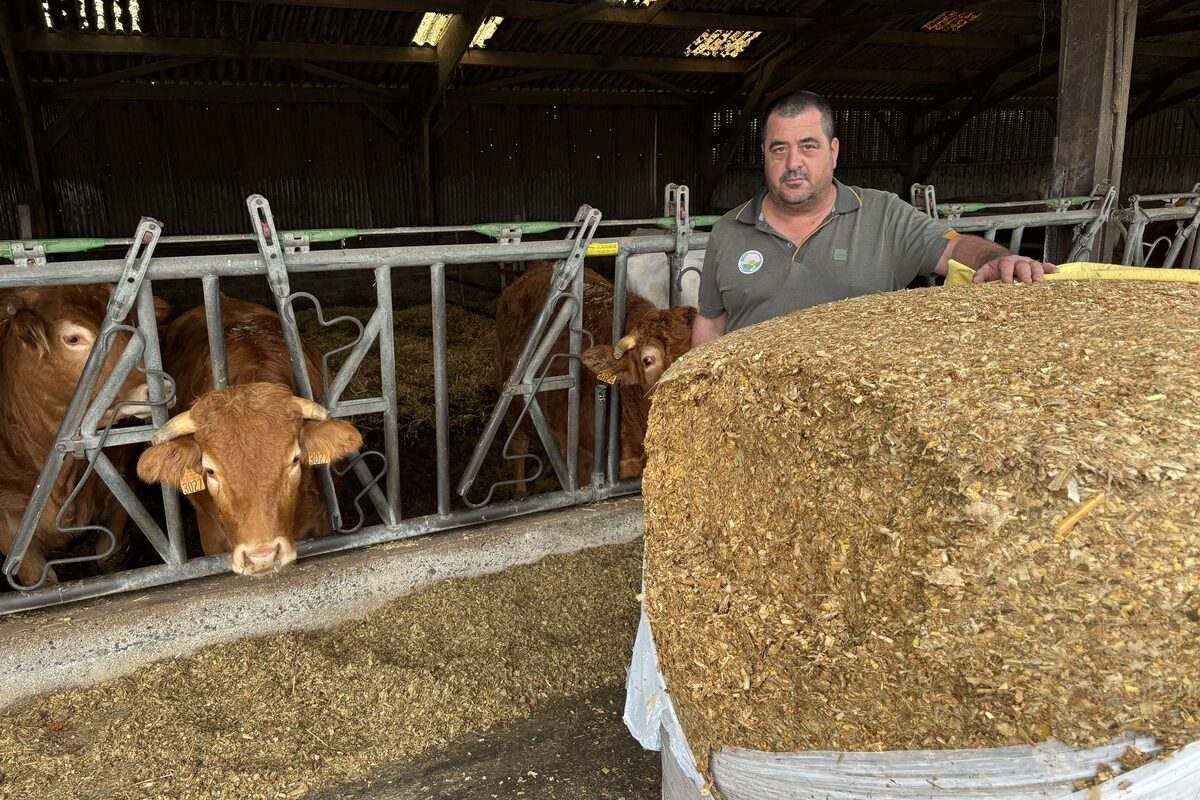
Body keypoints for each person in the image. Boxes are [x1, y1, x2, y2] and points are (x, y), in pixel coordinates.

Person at [692, 91, 1058, 347]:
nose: (793, 163)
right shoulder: (728, 230)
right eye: (779, 149)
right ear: (764, 155)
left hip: (859, 421)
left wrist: (996, 259)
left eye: (808, 146)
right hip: (752, 423)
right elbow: (711, 322)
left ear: (833, 151)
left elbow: (954, 247)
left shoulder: (884, 214)